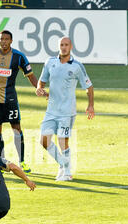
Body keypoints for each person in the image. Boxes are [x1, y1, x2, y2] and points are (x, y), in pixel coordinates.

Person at [0, 30, 39, 174]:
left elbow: (30, 75)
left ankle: (22, 161)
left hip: (10, 99)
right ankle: (1, 162)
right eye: (1, 39)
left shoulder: (18, 57)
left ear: (11, 41)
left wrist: (39, 88)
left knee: (16, 129)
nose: (4, 41)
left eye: (6, 39)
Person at [36, 36, 95, 181]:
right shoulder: (50, 62)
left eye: (66, 45)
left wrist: (91, 105)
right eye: (61, 45)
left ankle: (67, 173)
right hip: (51, 110)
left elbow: (89, 86)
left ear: (71, 47)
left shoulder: (77, 66)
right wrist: (39, 89)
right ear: (59, 46)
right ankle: (63, 164)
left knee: (63, 140)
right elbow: (41, 81)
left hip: (67, 112)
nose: (63, 47)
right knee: (43, 140)